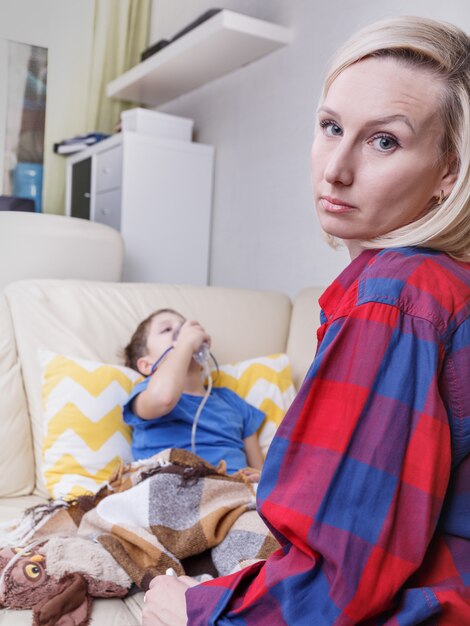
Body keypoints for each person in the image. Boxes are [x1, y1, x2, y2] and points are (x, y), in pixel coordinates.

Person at [142, 15, 470, 625]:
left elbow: (338, 580)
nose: (335, 169)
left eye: (384, 141)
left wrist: (194, 611)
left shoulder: (394, 297)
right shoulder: (433, 287)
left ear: (449, 171)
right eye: (331, 127)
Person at [123, 308, 264, 479]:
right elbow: (163, 399)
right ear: (146, 365)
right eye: (166, 330)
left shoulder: (231, 402)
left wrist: (259, 478)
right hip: (170, 487)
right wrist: (185, 344)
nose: (183, 332)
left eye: (184, 327)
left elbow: (263, 474)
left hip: (231, 491)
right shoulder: (146, 392)